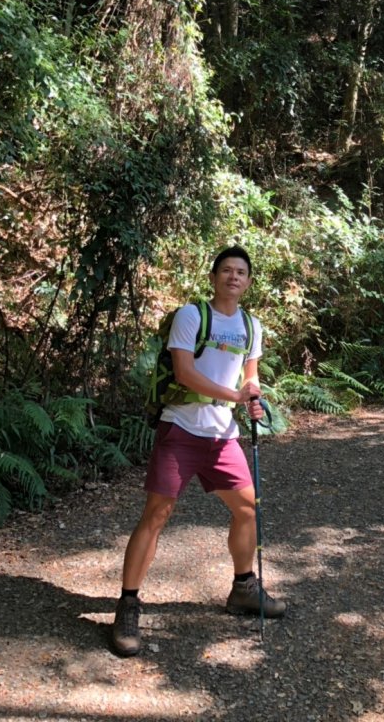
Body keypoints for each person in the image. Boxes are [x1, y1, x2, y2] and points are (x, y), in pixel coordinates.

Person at [111, 245, 285, 657]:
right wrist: (236, 396)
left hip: (222, 434)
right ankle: (128, 605)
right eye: (226, 270)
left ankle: (243, 588)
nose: (233, 277)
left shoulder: (251, 325)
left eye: (241, 271)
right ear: (213, 277)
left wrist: (253, 395)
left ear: (248, 281)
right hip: (182, 427)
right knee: (157, 514)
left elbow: (251, 376)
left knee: (247, 508)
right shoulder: (192, 316)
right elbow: (186, 371)